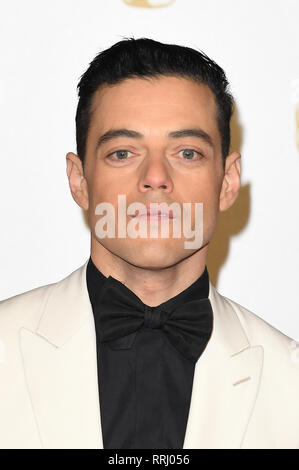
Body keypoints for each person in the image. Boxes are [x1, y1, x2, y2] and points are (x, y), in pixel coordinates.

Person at [0, 38, 298, 450]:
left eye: (187, 152)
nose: (155, 176)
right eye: (123, 152)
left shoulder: (291, 380)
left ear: (227, 182)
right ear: (79, 180)